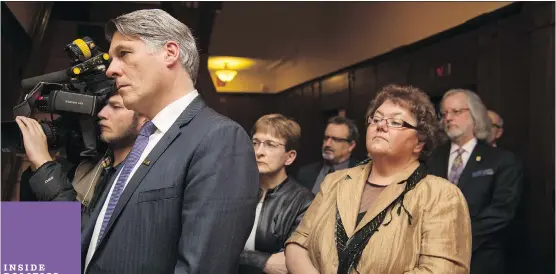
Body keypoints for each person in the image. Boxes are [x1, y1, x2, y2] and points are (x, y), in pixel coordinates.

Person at [82, 9, 259, 274]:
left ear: (170, 53)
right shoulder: (144, 139)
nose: (110, 70)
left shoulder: (219, 139)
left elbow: (202, 268)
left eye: (124, 54)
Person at [285, 84, 472, 274]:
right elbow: (298, 243)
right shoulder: (335, 182)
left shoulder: (441, 195)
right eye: (376, 119)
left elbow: (441, 270)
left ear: (419, 143)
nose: (380, 126)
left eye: (395, 122)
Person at [15, 92, 147, 230]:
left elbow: (85, 238)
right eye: (103, 106)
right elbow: (29, 242)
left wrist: (43, 164)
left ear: (144, 119)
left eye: (115, 106)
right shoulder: (81, 170)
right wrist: (36, 168)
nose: (102, 113)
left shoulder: (140, 179)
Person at [428, 89, 523, 274]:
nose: (448, 118)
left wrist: (457, 238)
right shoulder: (433, 158)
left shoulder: (501, 160)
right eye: (445, 113)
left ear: (474, 115)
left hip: (480, 260)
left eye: (456, 112)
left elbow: (502, 210)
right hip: (435, 259)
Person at [240, 114, 314, 274]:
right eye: (255, 143)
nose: (259, 152)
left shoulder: (303, 201)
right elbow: (214, 246)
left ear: (290, 157)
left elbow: (288, 263)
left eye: (270, 145)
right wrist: (263, 261)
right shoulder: (236, 190)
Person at [296, 116, 359, 193]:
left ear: (351, 145)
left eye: (336, 139)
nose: (328, 144)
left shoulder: (360, 175)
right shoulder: (305, 173)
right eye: (326, 138)